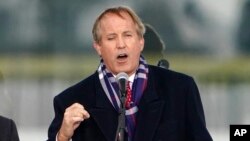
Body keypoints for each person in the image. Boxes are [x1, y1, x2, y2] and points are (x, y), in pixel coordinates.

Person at [47, 6, 213, 141]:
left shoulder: (180, 89)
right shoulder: (72, 101)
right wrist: (62, 137)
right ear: (98, 47)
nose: (121, 44)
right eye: (111, 38)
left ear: (141, 42)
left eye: (127, 35)